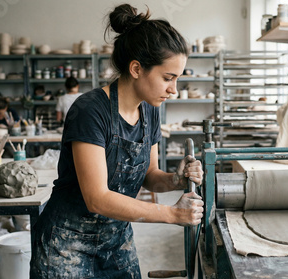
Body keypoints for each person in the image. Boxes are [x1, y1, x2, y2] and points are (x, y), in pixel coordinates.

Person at [30, 4, 204, 278]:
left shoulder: (150, 111)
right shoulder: (90, 110)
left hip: (116, 238)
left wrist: (176, 180)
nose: (174, 90)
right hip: (66, 244)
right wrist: (172, 214)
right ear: (136, 68)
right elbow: (96, 198)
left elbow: (149, 174)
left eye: (178, 79)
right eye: (168, 78)